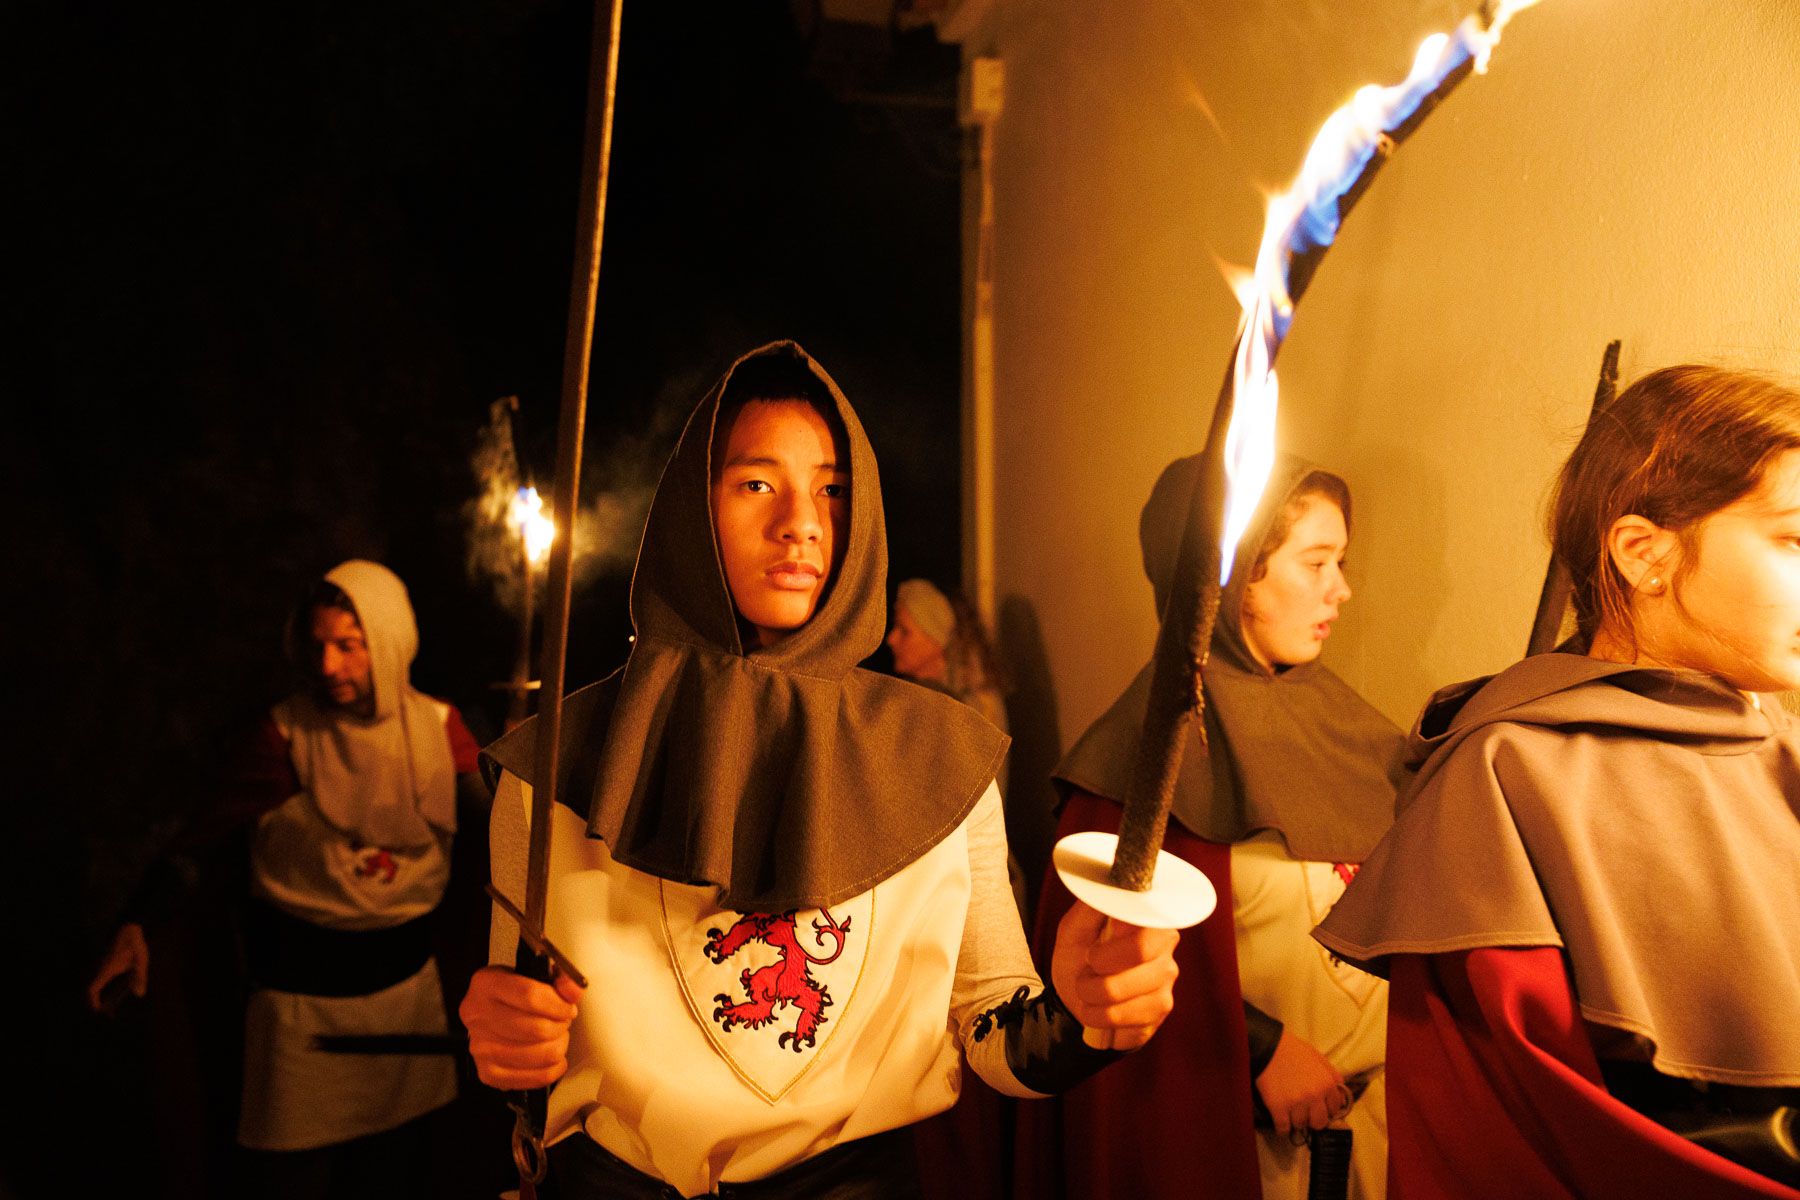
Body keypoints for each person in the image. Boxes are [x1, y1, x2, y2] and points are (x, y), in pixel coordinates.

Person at [459, 341, 1181, 1198]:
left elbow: (995, 1035)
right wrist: (506, 1042)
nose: (800, 519)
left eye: (832, 489)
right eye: (757, 483)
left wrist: (1082, 1015)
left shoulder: (939, 758)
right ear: (693, 508)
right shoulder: (556, 768)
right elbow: (528, 1054)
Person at [1315, 364, 1800, 1198]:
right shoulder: (1508, 775)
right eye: (1795, 541)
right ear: (1645, 553)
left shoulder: (1783, 751)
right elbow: (1524, 1128)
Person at [1018, 454, 1404, 1200]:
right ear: (1230, 580)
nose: (1342, 589)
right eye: (1316, 562)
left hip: (1375, 1137)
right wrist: (1259, 1050)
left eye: (1341, 561)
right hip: (1238, 1141)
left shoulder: (1354, 729)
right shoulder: (1142, 756)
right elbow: (1112, 972)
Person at [86, 560, 487, 1200]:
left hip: (406, 1005)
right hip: (301, 1017)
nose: (328, 666)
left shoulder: (441, 731)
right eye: (318, 645)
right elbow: (201, 844)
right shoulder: (284, 736)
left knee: (392, 1179)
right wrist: (141, 921)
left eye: (349, 647)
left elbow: (497, 839)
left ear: (386, 642)